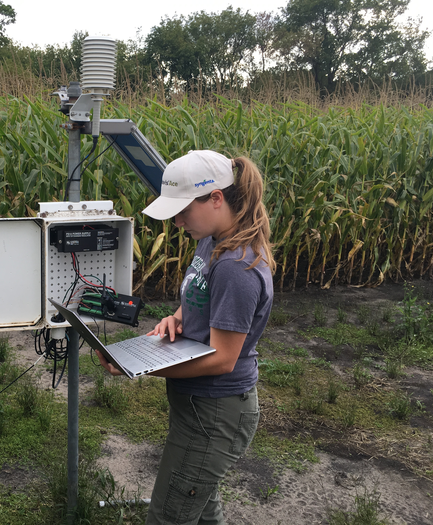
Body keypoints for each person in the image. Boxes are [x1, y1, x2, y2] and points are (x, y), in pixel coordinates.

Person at [96, 150, 275, 525]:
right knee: (201, 507)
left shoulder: (235, 266)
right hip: (200, 407)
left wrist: (141, 365)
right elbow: (197, 299)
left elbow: (224, 358)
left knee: (169, 516)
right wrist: (175, 318)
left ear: (215, 198)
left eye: (182, 211)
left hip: (215, 412)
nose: (177, 222)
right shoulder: (211, 241)